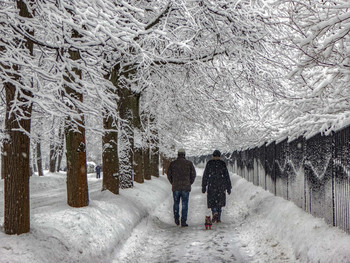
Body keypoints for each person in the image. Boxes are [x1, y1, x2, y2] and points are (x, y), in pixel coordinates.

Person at [167, 148, 196, 227]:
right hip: (185, 187)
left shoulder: (173, 163)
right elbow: (193, 174)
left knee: (176, 203)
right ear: (184, 154)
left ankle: (176, 218)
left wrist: (172, 182)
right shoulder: (189, 163)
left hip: (176, 186)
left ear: (178, 154)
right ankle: (183, 220)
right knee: (184, 204)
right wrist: (189, 182)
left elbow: (169, 174)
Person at [202, 150, 232, 223]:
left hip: (212, 183)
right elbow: (226, 176)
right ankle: (218, 217)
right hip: (220, 184)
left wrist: (204, 186)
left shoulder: (209, 163)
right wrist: (228, 187)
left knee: (212, 199)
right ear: (220, 156)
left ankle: (214, 211)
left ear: (213, 155)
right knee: (219, 200)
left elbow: (205, 175)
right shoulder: (222, 163)